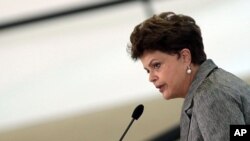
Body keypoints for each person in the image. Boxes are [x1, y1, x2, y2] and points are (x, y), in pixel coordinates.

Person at [127, 11, 250, 141]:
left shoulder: (210, 94)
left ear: (185, 57)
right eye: (147, 70)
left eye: (156, 65)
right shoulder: (205, 91)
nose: (151, 78)